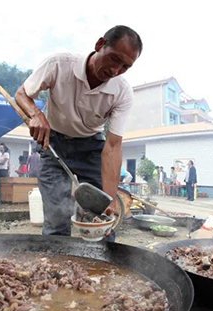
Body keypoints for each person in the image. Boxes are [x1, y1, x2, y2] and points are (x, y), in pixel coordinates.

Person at [15, 25, 142, 238]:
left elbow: (112, 146)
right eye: (113, 59)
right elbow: (21, 94)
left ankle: (102, 269)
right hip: (52, 144)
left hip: (91, 147)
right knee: (56, 221)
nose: (115, 71)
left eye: (125, 67)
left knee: (101, 221)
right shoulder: (59, 65)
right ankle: (57, 269)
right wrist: (36, 114)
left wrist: (109, 200)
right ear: (100, 45)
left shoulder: (122, 92)